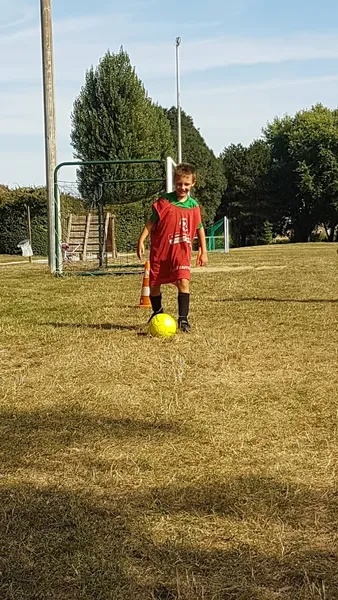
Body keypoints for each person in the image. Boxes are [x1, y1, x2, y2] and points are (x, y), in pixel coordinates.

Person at [137, 162, 208, 332]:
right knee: (154, 285)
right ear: (174, 183)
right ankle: (157, 312)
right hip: (161, 251)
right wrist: (141, 240)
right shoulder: (164, 202)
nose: (182, 188)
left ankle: (183, 320)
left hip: (181, 252)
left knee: (183, 281)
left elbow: (199, 228)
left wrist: (203, 251)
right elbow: (151, 222)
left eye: (186, 184)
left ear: (193, 183)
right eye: (179, 184)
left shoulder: (194, 206)